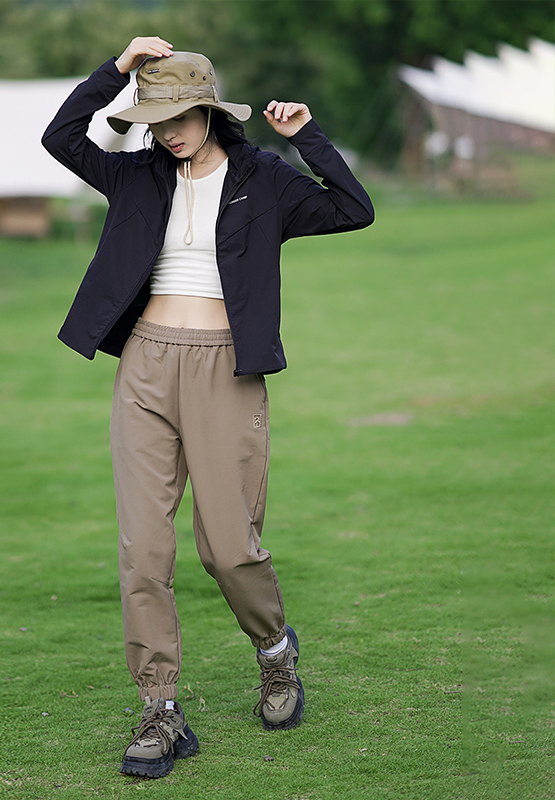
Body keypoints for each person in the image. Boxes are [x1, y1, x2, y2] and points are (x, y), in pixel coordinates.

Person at [42, 36, 374, 779]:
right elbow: (60, 136)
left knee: (228, 548)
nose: (167, 130)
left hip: (227, 369)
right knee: (143, 553)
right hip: (145, 367)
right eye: (155, 118)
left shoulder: (266, 179)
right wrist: (118, 68)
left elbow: (354, 209)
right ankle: (161, 711)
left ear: (209, 109)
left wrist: (305, 139)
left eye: (178, 115)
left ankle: (275, 653)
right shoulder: (133, 177)